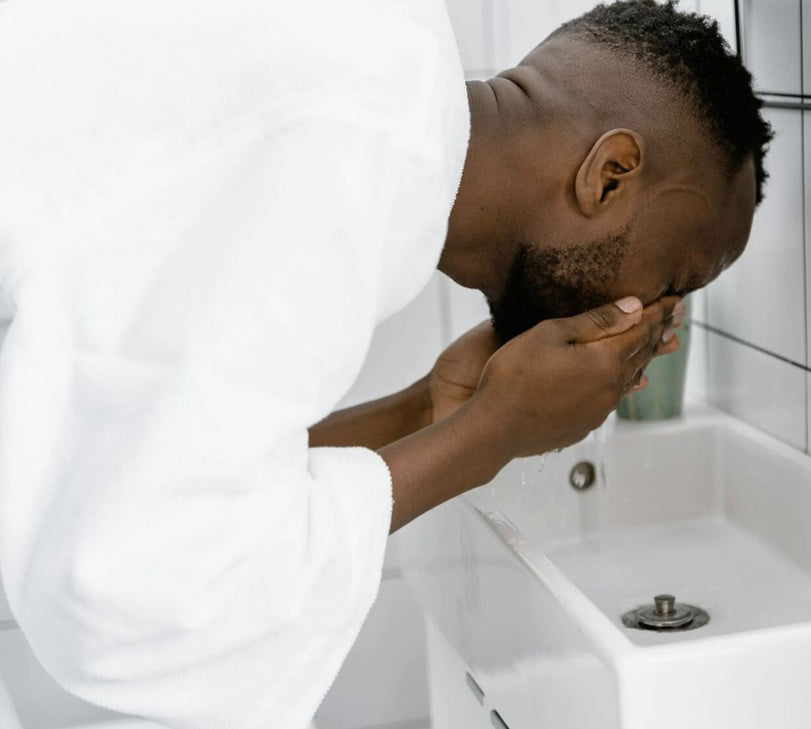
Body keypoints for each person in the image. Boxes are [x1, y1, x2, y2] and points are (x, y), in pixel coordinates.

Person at [0, 0, 771, 727]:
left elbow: (157, 470)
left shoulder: (377, 65)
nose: (659, 313)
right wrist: (491, 435)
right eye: (677, 280)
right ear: (608, 173)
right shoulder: (351, 142)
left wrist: (429, 412)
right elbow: (139, 587)